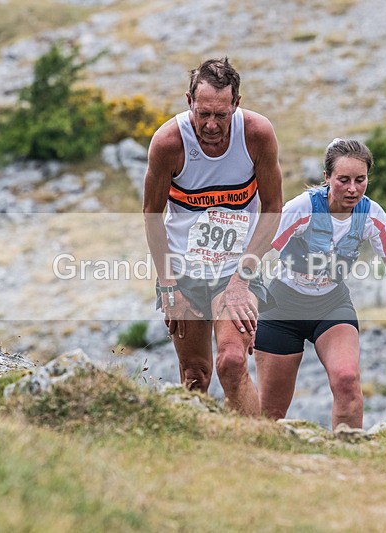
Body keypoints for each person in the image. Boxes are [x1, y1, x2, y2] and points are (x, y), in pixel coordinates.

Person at [253, 138, 386, 429]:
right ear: (327, 177)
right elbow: (254, 252)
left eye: (360, 180)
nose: (352, 189)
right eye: (343, 180)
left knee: (347, 380)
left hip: (331, 304)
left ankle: (348, 451)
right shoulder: (303, 208)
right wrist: (243, 302)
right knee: (271, 411)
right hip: (282, 306)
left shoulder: (371, 214)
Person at [143, 57, 282, 416]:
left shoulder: (256, 134)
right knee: (195, 374)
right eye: (203, 113)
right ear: (189, 101)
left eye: (221, 115)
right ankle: (201, 445)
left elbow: (273, 208)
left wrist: (241, 281)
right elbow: (152, 214)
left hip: (237, 269)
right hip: (183, 272)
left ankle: (254, 443)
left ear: (236, 103)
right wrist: (168, 286)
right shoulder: (168, 142)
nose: (211, 124)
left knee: (232, 363)